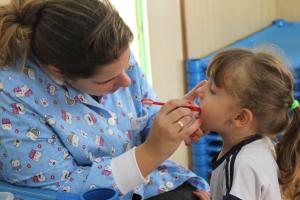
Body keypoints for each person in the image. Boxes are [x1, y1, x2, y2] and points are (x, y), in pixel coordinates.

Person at [0, 0, 210, 199]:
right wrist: (152, 152)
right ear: (59, 72)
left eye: (127, 65)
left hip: (149, 185)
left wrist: (171, 124)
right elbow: (63, 191)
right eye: (108, 80)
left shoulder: (111, 53)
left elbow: (143, 114)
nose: (127, 82)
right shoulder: (12, 100)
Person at [192, 48, 300, 200]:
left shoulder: (242, 165)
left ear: (240, 117)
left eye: (212, 90)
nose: (200, 91)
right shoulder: (260, 145)